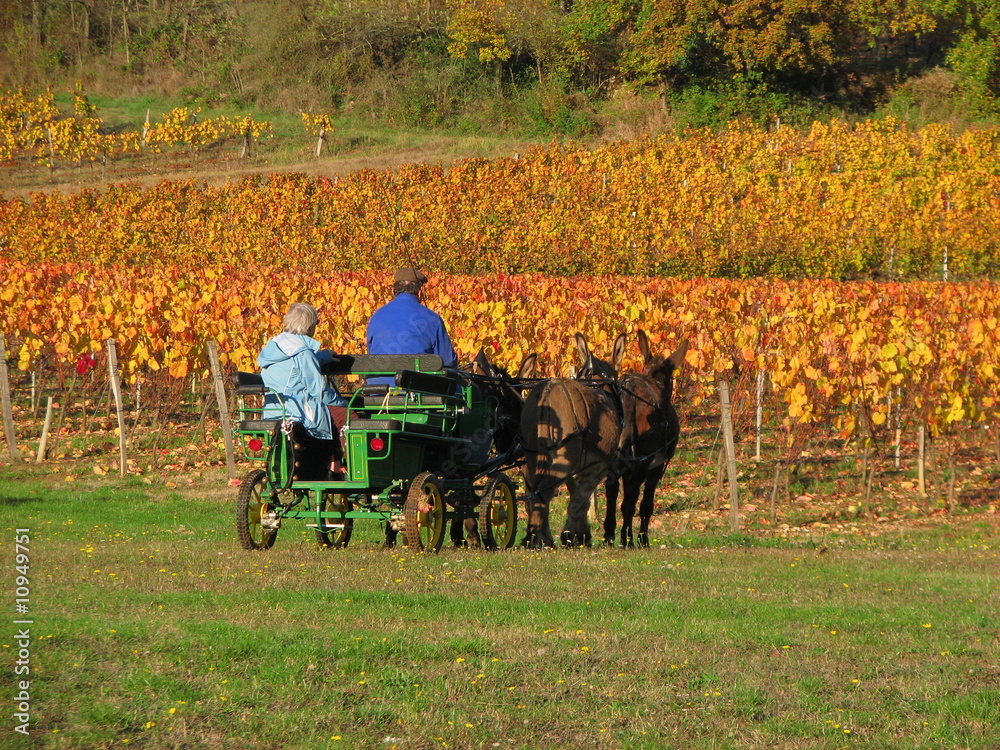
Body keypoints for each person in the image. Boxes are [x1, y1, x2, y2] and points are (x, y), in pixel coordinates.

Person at [257, 303, 347, 478]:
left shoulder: (274, 347)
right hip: (299, 411)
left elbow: (295, 368)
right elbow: (319, 390)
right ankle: (344, 469)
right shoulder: (302, 352)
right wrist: (341, 402)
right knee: (346, 416)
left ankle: (334, 464)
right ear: (310, 326)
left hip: (275, 410)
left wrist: (321, 357)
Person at [366, 267, 458, 383]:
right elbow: (448, 362)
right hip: (419, 394)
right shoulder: (432, 318)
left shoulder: (375, 317)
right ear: (420, 293)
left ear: (394, 291)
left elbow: (371, 353)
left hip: (377, 393)